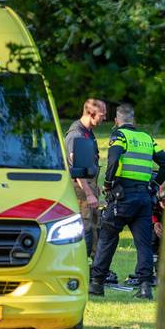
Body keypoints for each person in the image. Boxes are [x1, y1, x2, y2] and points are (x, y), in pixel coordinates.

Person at [89, 103, 165, 300]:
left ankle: (96, 283)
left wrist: (108, 183)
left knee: (107, 238)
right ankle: (145, 287)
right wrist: (154, 184)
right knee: (143, 244)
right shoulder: (147, 138)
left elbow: (113, 159)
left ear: (116, 121)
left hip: (122, 197)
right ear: (134, 120)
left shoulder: (119, 136)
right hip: (143, 198)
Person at [64, 98, 105, 258]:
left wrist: (94, 186)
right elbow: (77, 169)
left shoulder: (88, 133)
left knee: (95, 227)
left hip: (88, 186)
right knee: (85, 227)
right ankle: (82, 262)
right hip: (81, 189)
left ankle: (95, 266)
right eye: (102, 114)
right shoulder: (76, 134)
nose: (104, 118)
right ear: (91, 113)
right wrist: (88, 193)